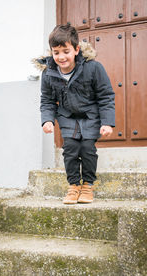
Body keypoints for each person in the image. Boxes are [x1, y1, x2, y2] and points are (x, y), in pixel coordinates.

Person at [36, 23, 115, 204]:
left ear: (76, 49)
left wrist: (107, 122)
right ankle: (73, 186)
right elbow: (47, 100)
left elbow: (105, 96)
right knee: (70, 150)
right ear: (51, 52)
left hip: (90, 116)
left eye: (66, 51)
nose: (61, 57)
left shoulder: (93, 68)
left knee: (87, 149)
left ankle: (87, 186)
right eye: (56, 53)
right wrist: (47, 120)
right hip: (67, 117)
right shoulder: (48, 74)